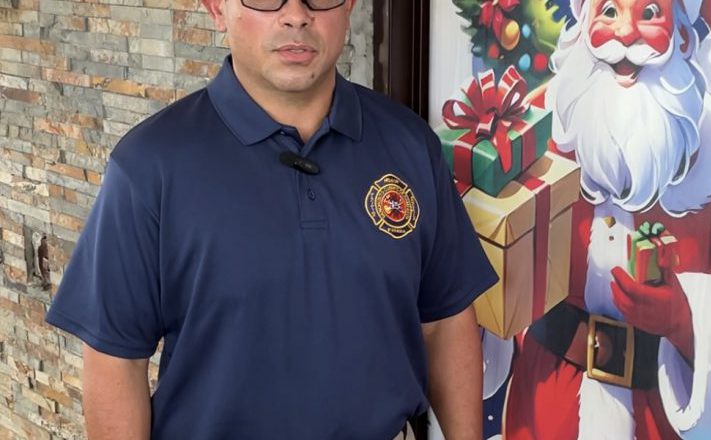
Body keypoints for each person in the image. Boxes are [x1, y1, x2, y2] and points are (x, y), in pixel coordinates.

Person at [45, 0, 498, 438]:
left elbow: (445, 320)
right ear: (217, 8)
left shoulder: (409, 145)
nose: (296, 15)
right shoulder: (149, 166)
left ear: (348, 6)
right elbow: (116, 359)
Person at [504, 0, 711, 438]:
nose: (626, 33)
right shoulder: (535, 127)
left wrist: (687, 319)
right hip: (546, 414)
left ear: (682, 34)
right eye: (610, 11)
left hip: (665, 423)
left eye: (650, 13)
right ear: (584, 21)